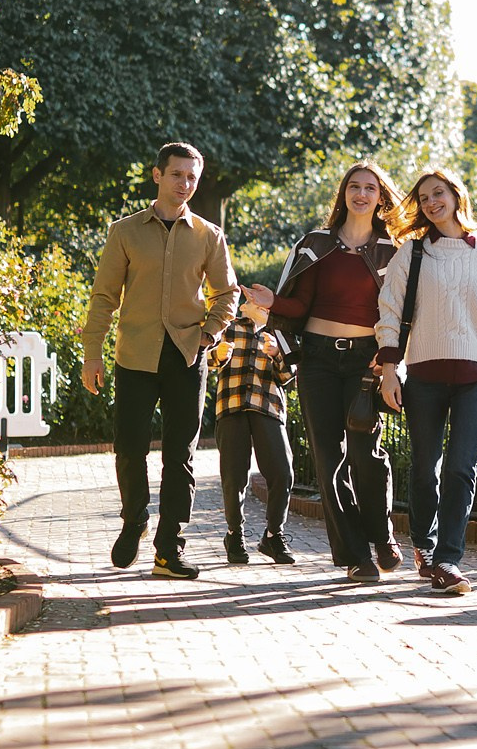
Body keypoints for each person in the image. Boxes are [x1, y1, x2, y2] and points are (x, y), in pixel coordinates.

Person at [80, 142, 237, 579]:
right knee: (129, 448)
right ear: (157, 175)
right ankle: (135, 518)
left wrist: (208, 335)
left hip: (187, 356)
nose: (185, 184)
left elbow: (227, 294)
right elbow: (104, 296)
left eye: (192, 177)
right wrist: (92, 352)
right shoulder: (124, 232)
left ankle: (169, 549)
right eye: (177, 175)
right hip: (135, 354)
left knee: (179, 456)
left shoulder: (209, 235)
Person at [375, 168, 477, 597]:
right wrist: (389, 370)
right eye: (424, 197)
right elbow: (389, 310)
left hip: (476, 377)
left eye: (438, 193)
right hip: (423, 375)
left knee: (462, 468)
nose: (431, 202)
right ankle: (424, 546)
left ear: (455, 195)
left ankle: (448, 559)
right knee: (425, 468)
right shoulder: (412, 253)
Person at [254, 162, 402, 585]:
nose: (361, 194)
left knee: (366, 454)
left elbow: (401, 312)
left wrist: (389, 360)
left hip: (365, 362)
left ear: (380, 197)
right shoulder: (315, 244)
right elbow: (299, 306)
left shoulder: (393, 252)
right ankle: (356, 555)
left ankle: (381, 535)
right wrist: (272, 302)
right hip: (317, 361)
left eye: (370, 188)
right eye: (354, 186)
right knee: (328, 458)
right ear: (344, 193)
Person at [208, 295, 295, 565]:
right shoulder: (228, 326)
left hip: (268, 406)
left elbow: (289, 375)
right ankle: (234, 534)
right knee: (233, 476)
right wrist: (217, 355)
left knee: (282, 471)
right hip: (231, 405)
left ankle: (273, 535)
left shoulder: (280, 331)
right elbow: (204, 360)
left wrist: (277, 355)